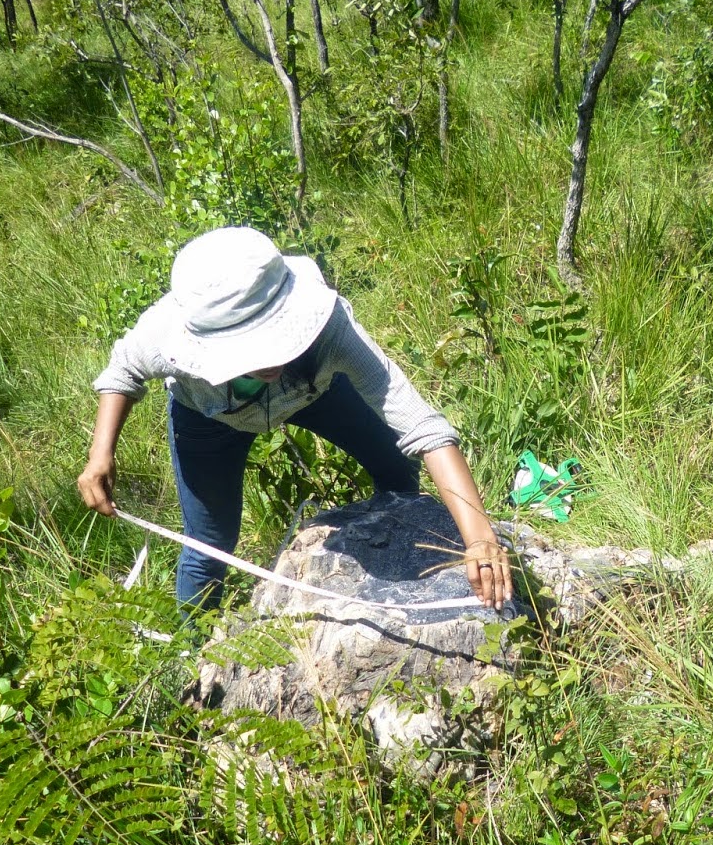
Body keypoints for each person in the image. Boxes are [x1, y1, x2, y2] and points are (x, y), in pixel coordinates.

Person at [77, 226, 512, 610]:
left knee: (396, 466)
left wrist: (479, 537)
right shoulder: (163, 334)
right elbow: (123, 372)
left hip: (315, 394)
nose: (268, 361)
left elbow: (420, 425)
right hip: (209, 422)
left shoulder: (331, 329)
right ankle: (191, 650)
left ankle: (395, 531)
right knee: (209, 545)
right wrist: (101, 455)